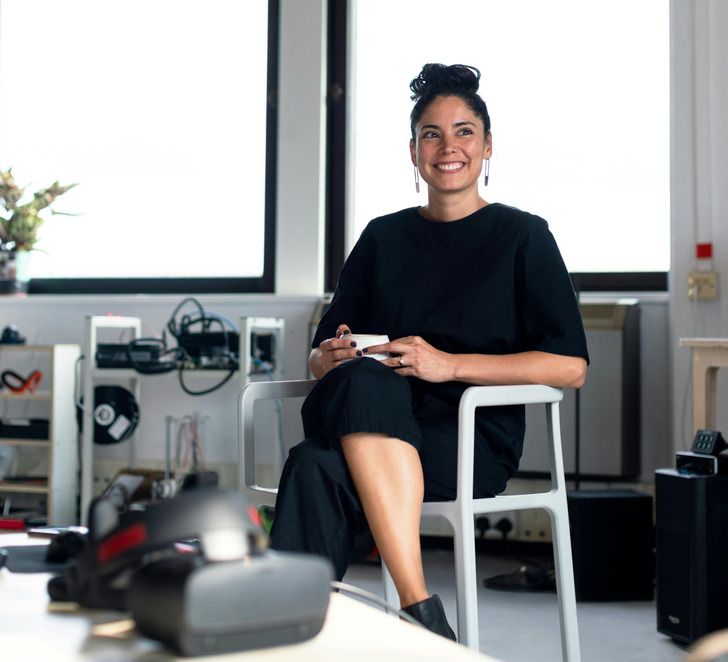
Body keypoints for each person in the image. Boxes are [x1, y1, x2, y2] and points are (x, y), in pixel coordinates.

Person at [269, 63, 589, 640]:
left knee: (316, 458)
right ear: (413, 151)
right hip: (372, 418)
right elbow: (322, 351)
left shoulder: (524, 236)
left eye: (464, 132)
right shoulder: (382, 237)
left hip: (467, 438)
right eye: (431, 134)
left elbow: (569, 366)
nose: (448, 147)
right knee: (327, 437)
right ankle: (371, 622)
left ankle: (370, 619)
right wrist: (327, 358)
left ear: (487, 146)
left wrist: (448, 365)